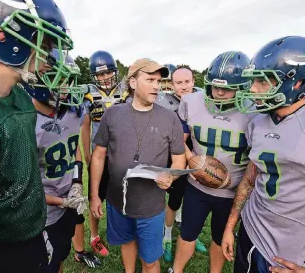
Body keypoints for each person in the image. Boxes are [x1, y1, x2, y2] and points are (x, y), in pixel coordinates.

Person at [0, 0, 74, 272]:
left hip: (30, 234)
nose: (51, 57)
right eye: (46, 43)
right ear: (1, 33)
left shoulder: (19, 95)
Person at [221, 36, 305, 273]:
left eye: (263, 81)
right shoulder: (258, 121)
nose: (253, 89)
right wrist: (231, 224)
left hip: (292, 252)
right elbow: (250, 178)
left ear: (298, 83)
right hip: (252, 229)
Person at [90, 58, 186, 273]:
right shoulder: (113, 114)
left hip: (150, 206)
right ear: (133, 83)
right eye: (150, 80)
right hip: (117, 201)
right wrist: (95, 195)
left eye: (159, 81)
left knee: (150, 261)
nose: (156, 86)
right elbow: (98, 156)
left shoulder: (170, 118)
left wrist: (171, 176)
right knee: (127, 242)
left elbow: (179, 158)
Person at [168, 51, 253, 273]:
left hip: (232, 191)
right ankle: (176, 270)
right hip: (196, 186)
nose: (219, 92)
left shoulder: (256, 111)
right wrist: (193, 162)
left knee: (219, 238)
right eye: (215, 86)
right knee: (187, 233)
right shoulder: (191, 101)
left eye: (227, 87)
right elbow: (179, 140)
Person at [25, 50, 101, 272]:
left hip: (67, 200)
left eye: (69, 80)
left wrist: (77, 182)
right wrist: (61, 202)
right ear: (38, 81)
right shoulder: (25, 122)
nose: (67, 87)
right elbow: (25, 186)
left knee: (59, 255)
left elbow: (74, 145)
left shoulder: (71, 111)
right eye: (60, 80)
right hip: (41, 214)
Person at [73, 50, 130, 257]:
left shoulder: (125, 90)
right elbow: (86, 126)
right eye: (100, 75)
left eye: (107, 73)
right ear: (94, 76)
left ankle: (122, 230)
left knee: (123, 194)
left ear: (114, 72)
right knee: (95, 195)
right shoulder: (88, 93)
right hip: (100, 153)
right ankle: (94, 236)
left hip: (122, 153)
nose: (104, 78)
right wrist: (87, 153)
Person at [156, 65, 207, 262]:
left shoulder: (203, 100)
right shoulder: (164, 103)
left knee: (193, 200)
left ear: (194, 82)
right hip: (176, 157)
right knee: (174, 199)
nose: (184, 86)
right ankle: (167, 237)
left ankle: (189, 235)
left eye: (187, 82)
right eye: (179, 82)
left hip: (198, 157)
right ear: (172, 84)